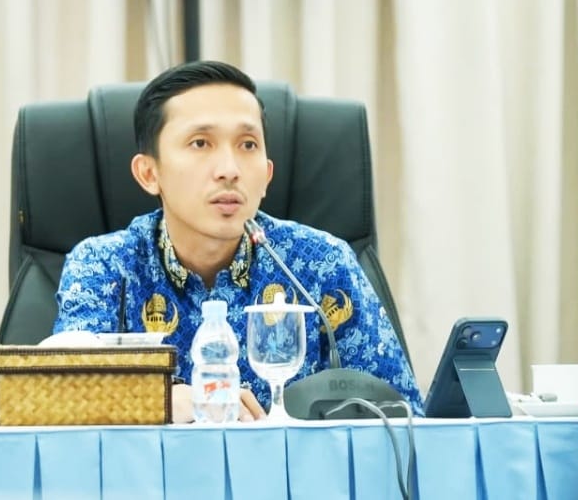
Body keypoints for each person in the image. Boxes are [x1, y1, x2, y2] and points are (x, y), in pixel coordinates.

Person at [53, 61, 423, 421]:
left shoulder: (323, 263)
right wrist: (162, 400)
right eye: (201, 143)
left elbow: (402, 415)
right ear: (149, 173)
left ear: (267, 175)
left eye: (247, 145)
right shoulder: (104, 265)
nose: (229, 170)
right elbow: (58, 395)